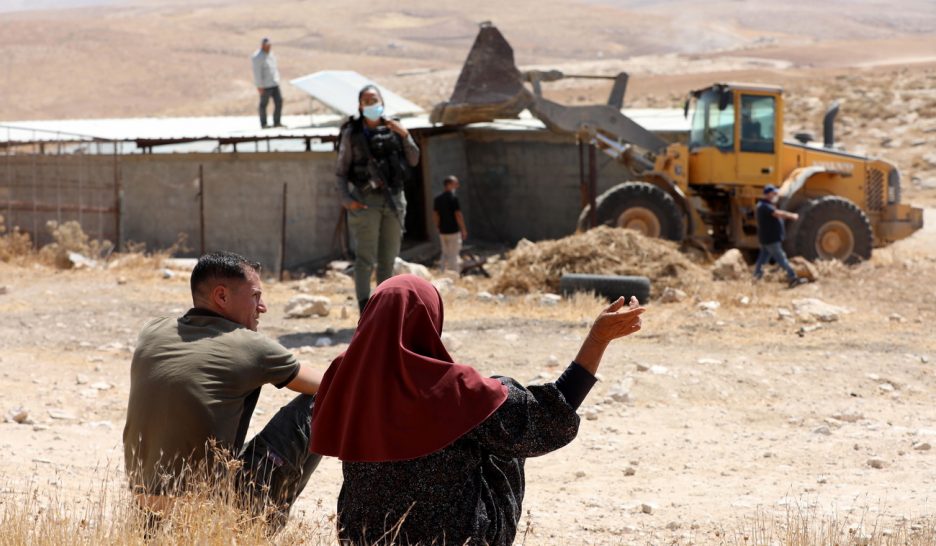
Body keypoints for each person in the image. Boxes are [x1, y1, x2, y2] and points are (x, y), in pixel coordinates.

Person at [309, 275, 645, 545]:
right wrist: (597, 340)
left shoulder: (343, 378)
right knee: (501, 409)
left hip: (362, 537)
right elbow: (547, 421)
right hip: (454, 537)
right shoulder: (453, 388)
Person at [123, 251, 323, 529]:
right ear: (222, 296)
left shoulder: (153, 330)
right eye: (255, 296)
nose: (262, 307)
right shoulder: (250, 346)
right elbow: (329, 385)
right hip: (206, 511)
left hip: (147, 515)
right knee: (322, 405)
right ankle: (255, 529)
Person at [335, 84, 420, 313]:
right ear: (360, 105)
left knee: (388, 260)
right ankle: (365, 313)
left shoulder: (395, 128)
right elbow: (341, 171)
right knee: (365, 260)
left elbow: (413, 160)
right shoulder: (352, 133)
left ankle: (384, 311)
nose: (372, 104)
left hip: (394, 200)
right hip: (365, 201)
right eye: (367, 101)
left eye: (375, 99)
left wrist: (405, 134)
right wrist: (347, 201)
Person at [754, 184, 806, 287]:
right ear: (768, 194)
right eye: (774, 193)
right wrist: (792, 216)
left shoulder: (764, 205)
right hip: (771, 239)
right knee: (782, 259)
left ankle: (756, 278)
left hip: (767, 239)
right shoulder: (764, 206)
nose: (776, 195)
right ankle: (793, 278)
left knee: (763, 259)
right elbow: (777, 214)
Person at [433, 175, 468, 274]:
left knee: (445, 252)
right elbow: (458, 215)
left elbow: (435, 215)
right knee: (454, 254)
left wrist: (438, 226)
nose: (457, 186)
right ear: (448, 185)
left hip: (443, 231)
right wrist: (463, 229)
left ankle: (442, 271)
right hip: (453, 231)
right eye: (455, 183)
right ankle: (455, 274)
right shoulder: (453, 198)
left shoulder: (438, 199)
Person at [251, 37, 283, 129]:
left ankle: (277, 122)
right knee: (263, 104)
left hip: (274, 82)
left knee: (279, 101)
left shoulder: (271, 54)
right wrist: (259, 86)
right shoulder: (257, 57)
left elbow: (274, 68)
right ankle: (263, 123)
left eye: (269, 45)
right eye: (267, 45)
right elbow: (257, 73)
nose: (269, 47)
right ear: (262, 45)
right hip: (265, 85)